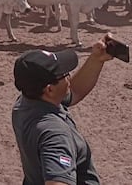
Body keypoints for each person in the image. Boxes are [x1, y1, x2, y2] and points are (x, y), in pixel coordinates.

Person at [11, 34, 115, 185]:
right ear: (49, 89)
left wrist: (96, 59)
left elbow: (73, 92)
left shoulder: (24, 103)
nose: (69, 77)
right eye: (64, 74)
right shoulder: (55, 135)